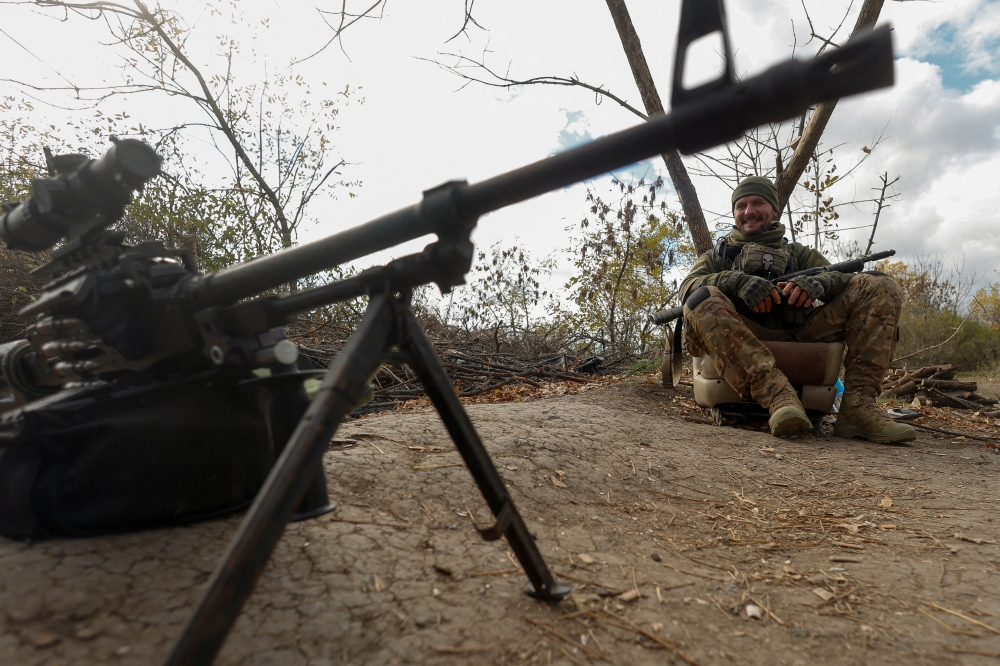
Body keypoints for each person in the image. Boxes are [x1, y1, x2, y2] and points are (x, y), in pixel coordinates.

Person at [679, 176, 914, 443]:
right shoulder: (716, 257)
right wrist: (734, 280)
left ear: (775, 211)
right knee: (701, 297)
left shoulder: (799, 254)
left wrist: (818, 283)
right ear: (734, 213)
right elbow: (688, 287)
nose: (749, 211)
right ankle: (778, 397)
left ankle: (858, 408)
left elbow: (843, 279)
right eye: (741, 206)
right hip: (741, 336)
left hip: (800, 331)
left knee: (879, 285)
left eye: (758, 203)